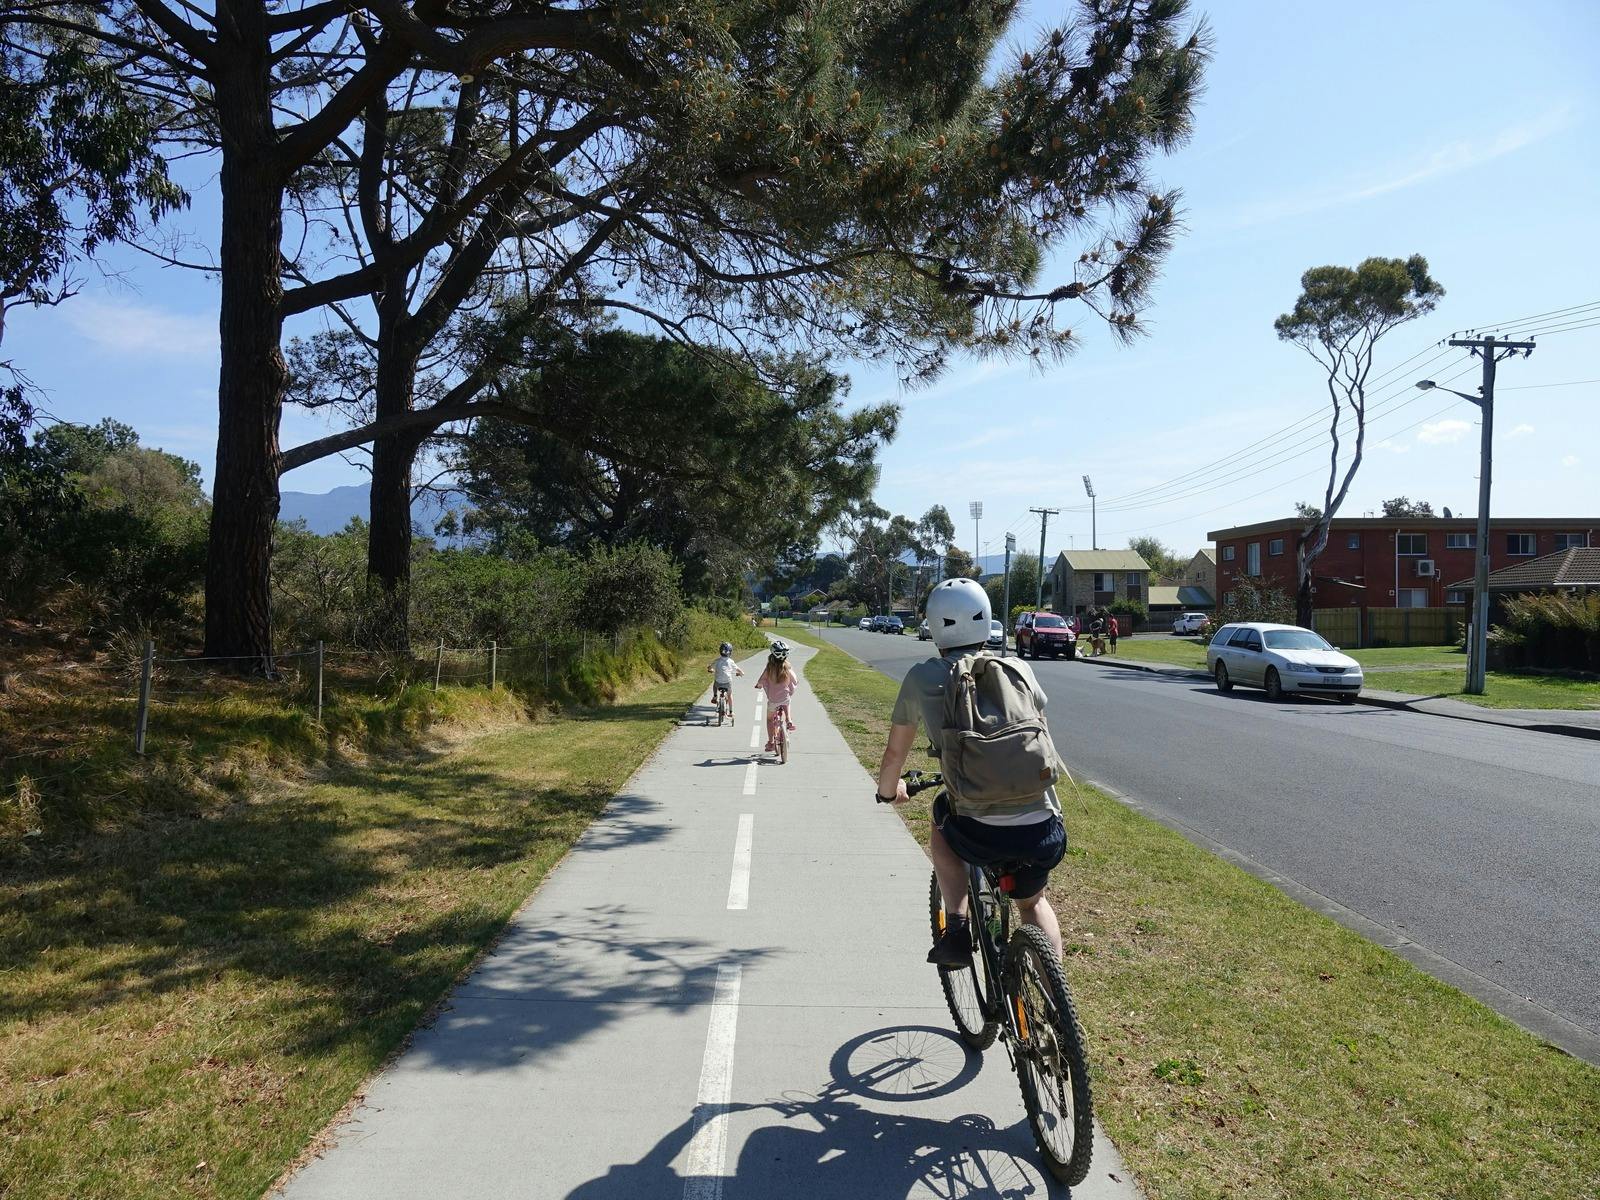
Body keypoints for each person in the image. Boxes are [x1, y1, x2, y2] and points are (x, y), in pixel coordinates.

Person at [874, 578, 1067, 964]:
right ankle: (1056, 1016)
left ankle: (958, 927)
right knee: (1034, 903)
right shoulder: (1018, 670)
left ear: (933, 624)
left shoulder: (922, 677)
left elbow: (896, 753)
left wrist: (886, 791)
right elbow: (1040, 735)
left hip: (977, 831)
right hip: (1042, 829)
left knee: (941, 817)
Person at [756, 641, 798, 753]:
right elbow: (795, 680)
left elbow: (761, 679)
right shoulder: (788, 667)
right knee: (787, 701)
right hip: (784, 698)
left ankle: (770, 742)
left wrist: (759, 685)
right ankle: (789, 720)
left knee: (769, 719)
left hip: (773, 699)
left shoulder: (769, 668)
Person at [707, 641, 744, 719]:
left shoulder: (717, 661)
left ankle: (715, 696)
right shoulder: (731, 661)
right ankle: (731, 711)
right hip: (727, 683)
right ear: (730, 652)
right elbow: (737, 669)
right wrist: (741, 673)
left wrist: (710, 670)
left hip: (718, 682)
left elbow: (710, 667)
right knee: (730, 695)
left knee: (715, 684)